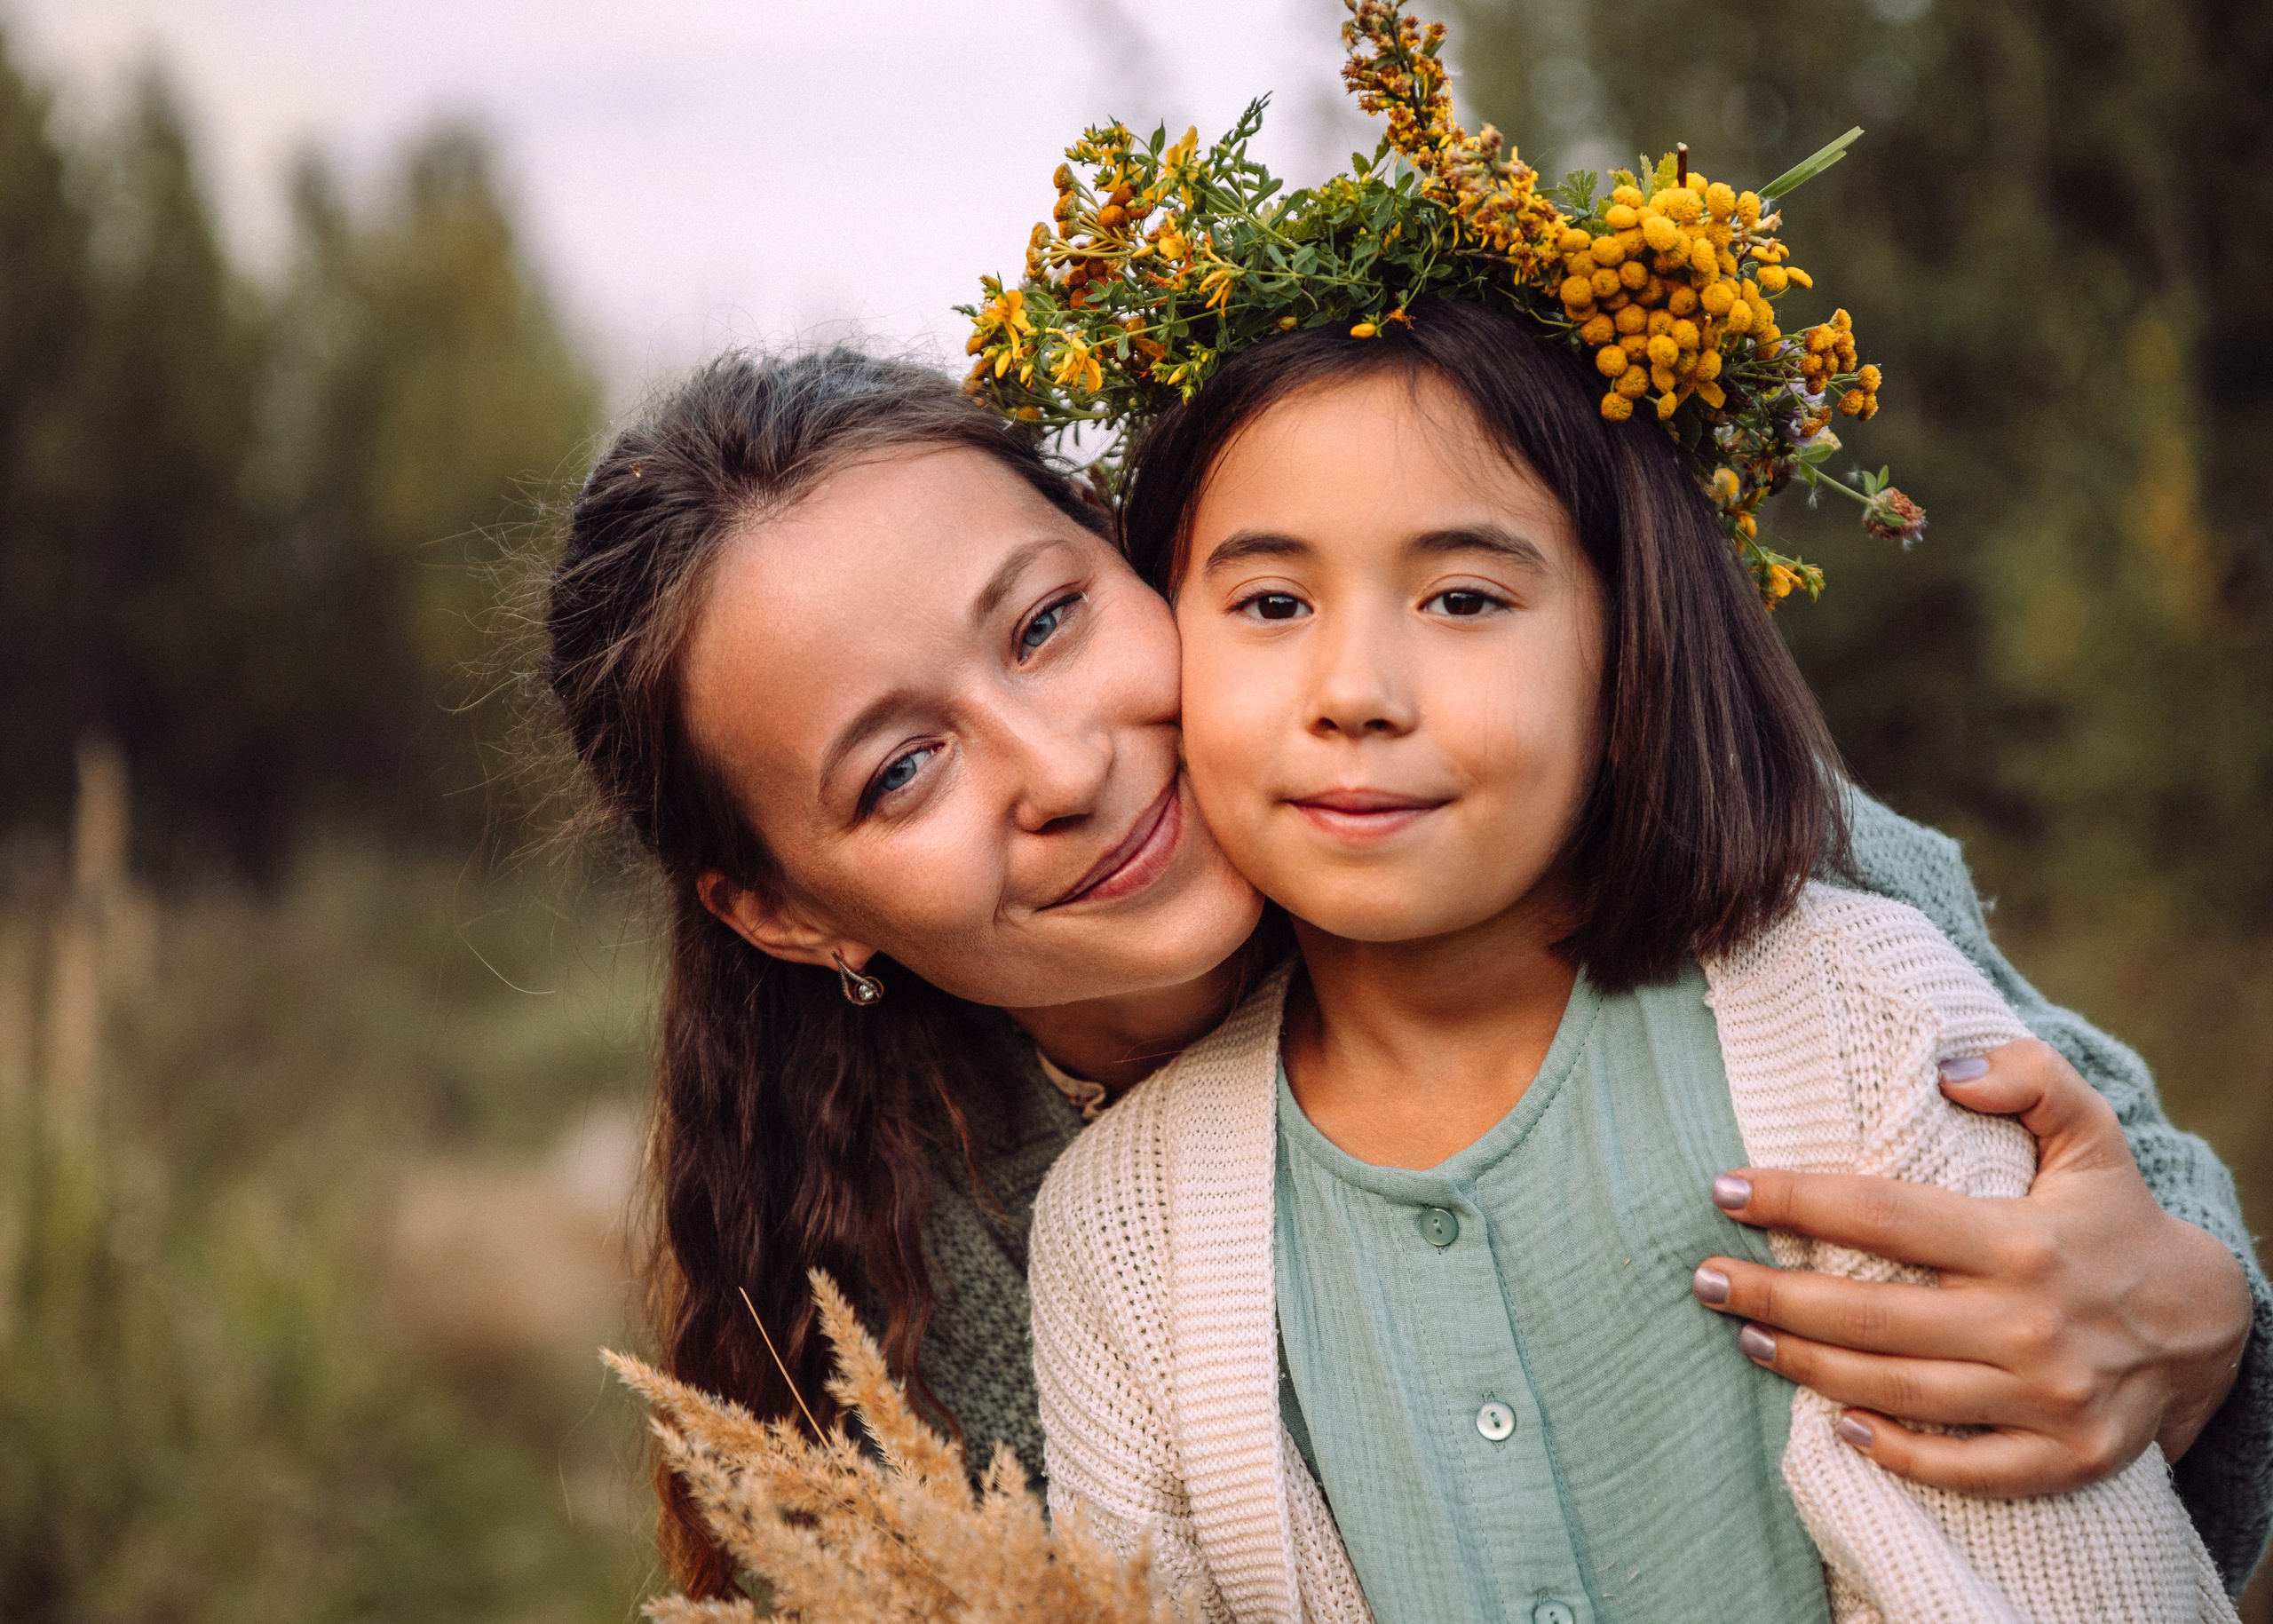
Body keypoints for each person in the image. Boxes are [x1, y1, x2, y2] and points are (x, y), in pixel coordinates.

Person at [543, 347, 2265, 1601]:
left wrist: (2190, 1332)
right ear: (787, 913)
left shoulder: (1673, 847)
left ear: (1128, 547)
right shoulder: (921, 1308)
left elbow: (2126, 1223)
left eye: (1047, 622)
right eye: (897, 770)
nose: (1055, 766)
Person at [1026, 297, 2240, 1620]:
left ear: (1627, 645)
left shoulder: (1858, 1021)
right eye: (1270, 601)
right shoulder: (1118, 1227)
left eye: (1464, 597)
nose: (1355, 687)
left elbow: (2085, 1579)